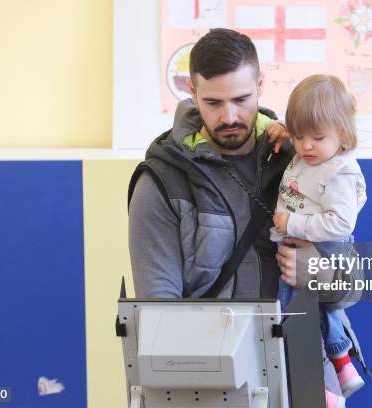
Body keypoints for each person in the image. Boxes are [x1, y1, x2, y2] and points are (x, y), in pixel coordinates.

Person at [128, 28, 359, 405]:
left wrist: (317, 272)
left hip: (306, 377)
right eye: (213, 102)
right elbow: (159, 318)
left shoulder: (301, 157)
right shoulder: (161, 180)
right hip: (212, 388)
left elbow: (353, 288)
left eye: (241, 98)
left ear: (262, 84)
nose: (229, 116)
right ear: (191, 91)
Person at [268, 74, 367, 407]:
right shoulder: (310, 155)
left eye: (317, 137)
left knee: (296, 310)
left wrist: (294, 223)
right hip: (307, 242)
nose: (305, 146)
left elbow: (341, 222)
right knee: (315, 311)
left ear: (343, 135)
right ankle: (340, 365)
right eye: (298, 136)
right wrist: (285, 132)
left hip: (326, 246)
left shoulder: (337, 171)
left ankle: (325, 373)